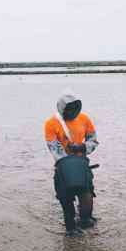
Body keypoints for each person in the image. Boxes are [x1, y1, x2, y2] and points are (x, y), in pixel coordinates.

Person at [44, 91, 99, 236]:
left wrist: (82, 147)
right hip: (63, 166)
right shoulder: (51, 124)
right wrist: (68, 157)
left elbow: (93, 139)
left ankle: (85, 219)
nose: (72, 112)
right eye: (69, 109)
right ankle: (70, 228)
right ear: (62, 109)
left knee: (87, 194)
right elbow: (53, 147)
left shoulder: (84, 119)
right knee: (66, 197)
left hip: (82, 164)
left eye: (75, 108)